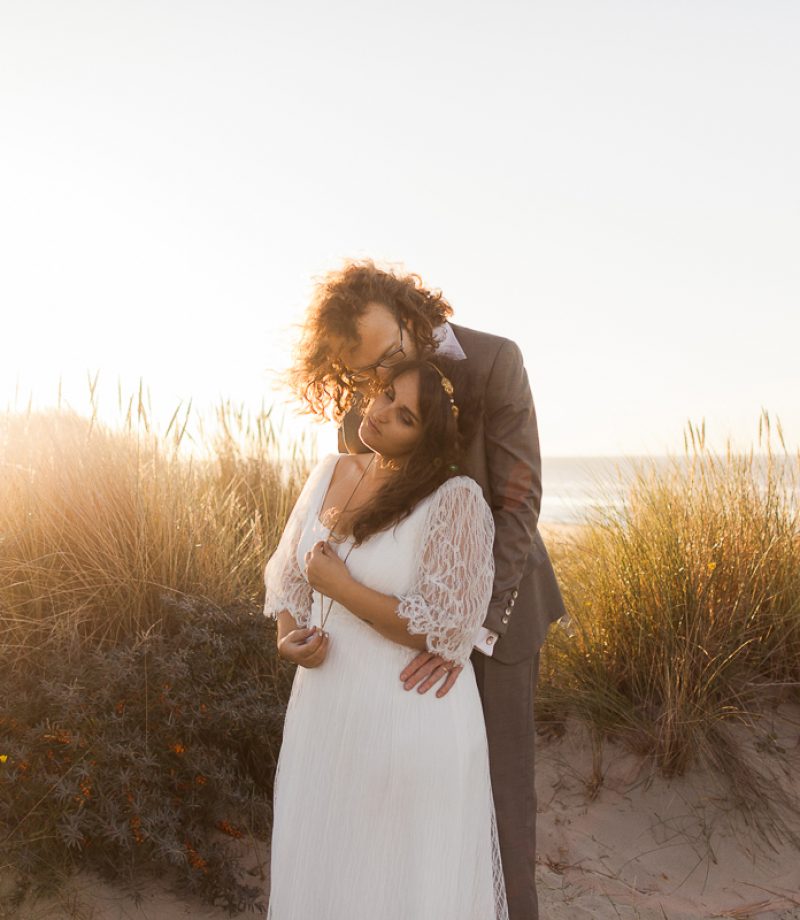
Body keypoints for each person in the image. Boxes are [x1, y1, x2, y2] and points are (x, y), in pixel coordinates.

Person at [287, 259, 567, 920]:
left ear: (408, 311)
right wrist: (310, 621)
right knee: (399, 802)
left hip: (496, 618)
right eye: (363, 375)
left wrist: (464, 627)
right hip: (400, 627)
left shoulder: (497, 362)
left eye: (386, 358)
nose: (377, 387)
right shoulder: (368, 398)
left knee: (500, 809)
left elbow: (518, 505)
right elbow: (356, 523)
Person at [263, 357, 508, 919]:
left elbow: (447, 625)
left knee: (395, 885)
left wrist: (342, 588)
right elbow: (288, 575)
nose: (380, 415)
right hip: (323, 713)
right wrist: (286, 637)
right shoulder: (330, 470)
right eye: (385, 396)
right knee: (325, 868)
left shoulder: (455, 498)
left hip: (407, 717)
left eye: (404, 418)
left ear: (429, 439)